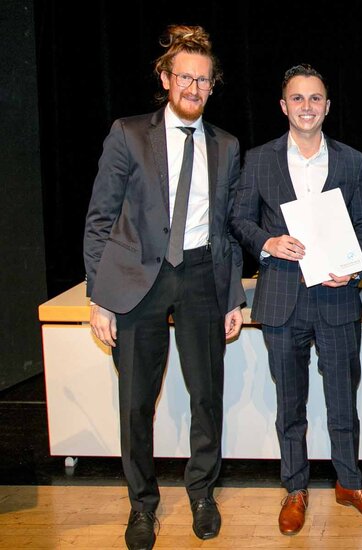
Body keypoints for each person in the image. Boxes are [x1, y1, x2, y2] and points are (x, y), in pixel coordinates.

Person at [83, 25, 244, 550]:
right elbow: (101, 220)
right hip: (136, 284)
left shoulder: (227, 146)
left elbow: (228, 228)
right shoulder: (128, 134)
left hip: (201, 276)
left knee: (207, 396)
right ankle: (141, 505)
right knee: (135, 402)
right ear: (165, 77)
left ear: (212, 85)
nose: (194, 88)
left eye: (204, 80)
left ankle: (201, 493)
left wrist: (234, 296)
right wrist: (99, 296)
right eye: (185, 78)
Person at [230, 64, 362, 536]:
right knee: (290, 403)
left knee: (343, 400)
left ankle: (350, 483)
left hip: (337, 296)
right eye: (297, 99)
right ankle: (295, 488)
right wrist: (267, 243)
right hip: (281, 297)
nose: (306, 106)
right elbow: (238, 218)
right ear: (284, 107)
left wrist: (355, 264)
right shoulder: (259, 159)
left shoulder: (351, 161)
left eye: (315, 98)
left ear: (327, 106)